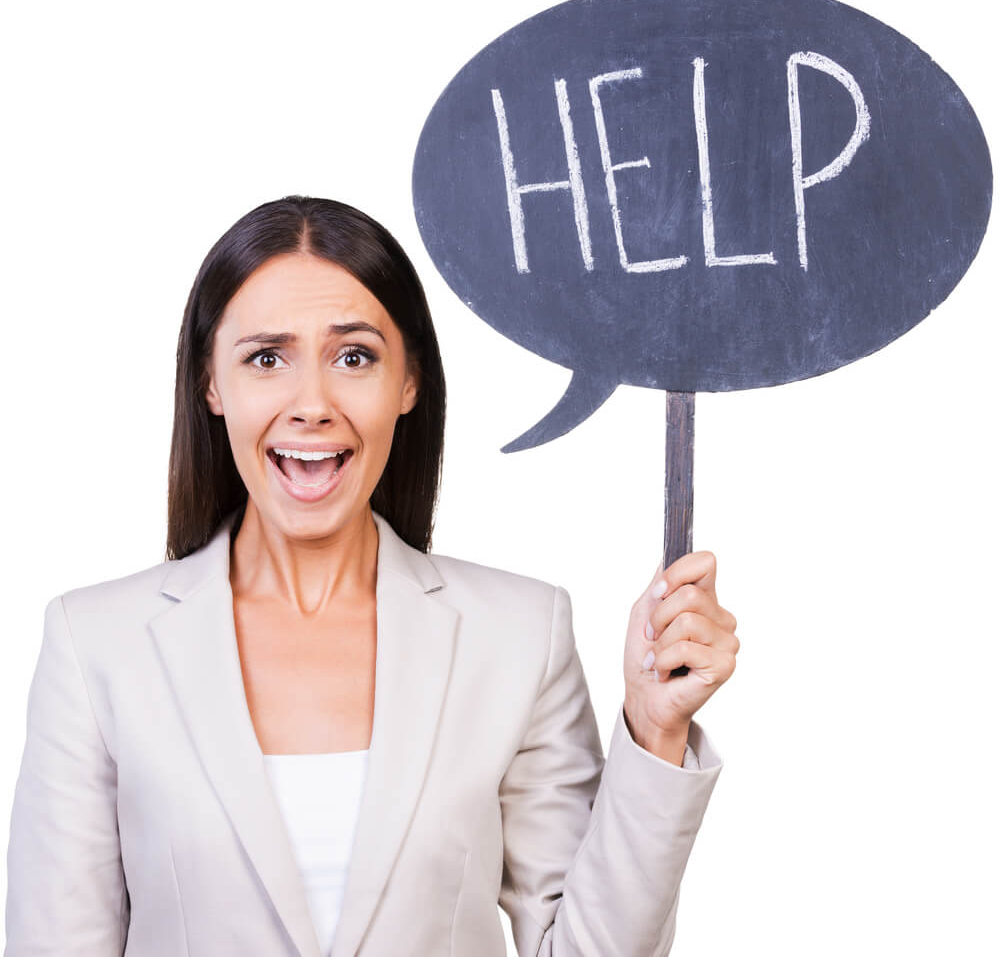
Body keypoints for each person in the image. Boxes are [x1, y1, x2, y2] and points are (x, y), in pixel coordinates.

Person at [4, 196, 739, 957]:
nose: (313, 405)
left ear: (409, 382)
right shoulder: (95, 648)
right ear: (211, 385)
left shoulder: (521, 635)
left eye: (354, 357)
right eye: (266, 358)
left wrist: (655, 731)